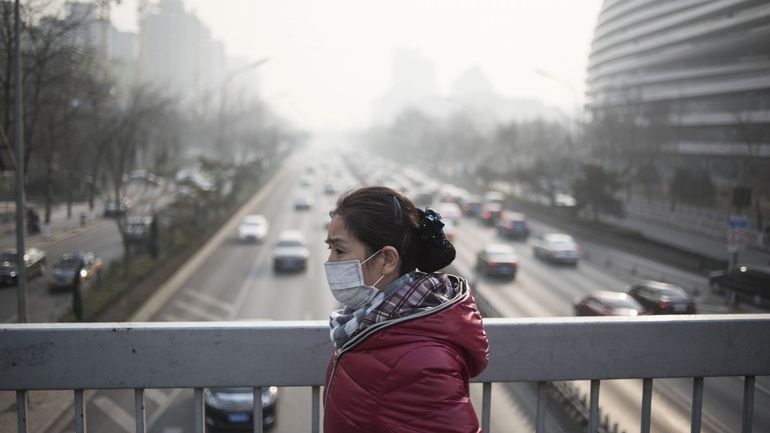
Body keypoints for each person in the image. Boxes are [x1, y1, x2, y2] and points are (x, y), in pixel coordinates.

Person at [323, 186, 489, 433]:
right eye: (330, 249)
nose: (330, 262)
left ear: (387, 260)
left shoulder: (421, 363)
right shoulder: (368, 327)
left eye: (339, 250)